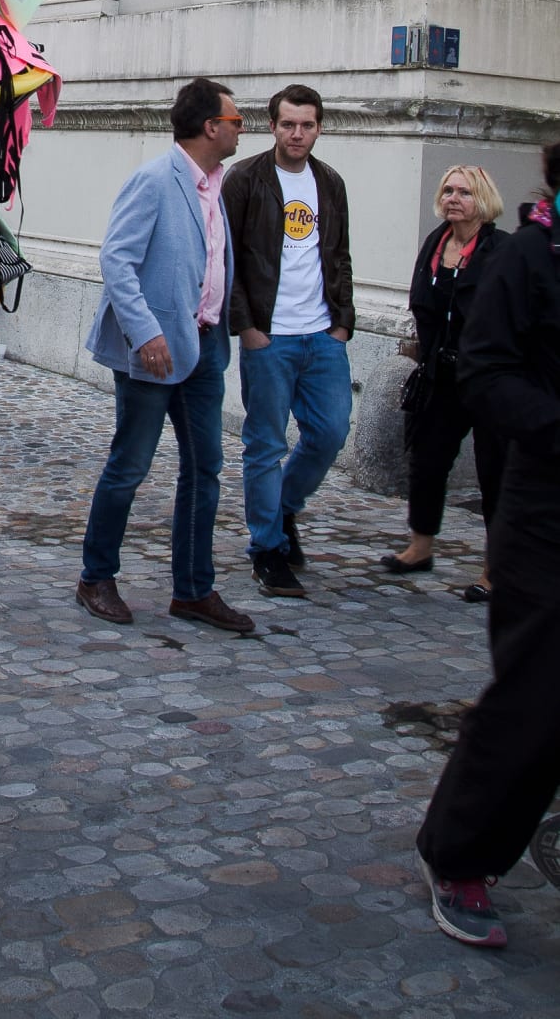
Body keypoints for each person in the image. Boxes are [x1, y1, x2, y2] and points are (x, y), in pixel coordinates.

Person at [415, 142, 560, 950]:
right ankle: (458, 855)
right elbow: (485, 372)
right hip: (544, 512)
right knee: (536, 697)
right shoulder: (528, 259)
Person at [75, 76, 256, 635]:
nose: (240, 129)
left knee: (206, 468)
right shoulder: (156, 180)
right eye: (236, 121)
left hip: (204, 345)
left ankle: (194, 591)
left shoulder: (215, 185)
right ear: (210, 127)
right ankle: (96, 577)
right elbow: (117, 259)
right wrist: (146, 332)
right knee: (129, 465)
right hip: (153, 352)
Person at [222, 84, 355, 600]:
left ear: (320, 127)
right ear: (272, 125)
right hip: (269, 337)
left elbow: (339, 253)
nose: (298, 134)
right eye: (288, 124)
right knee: (265, 444)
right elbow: (229, 257)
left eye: (307, 125)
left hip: (323, 336)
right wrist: (248, 327)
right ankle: (268, 549)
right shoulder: (246, 179)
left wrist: (342, 323)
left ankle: (283, 507)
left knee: (329, 433)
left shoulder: (330, 183)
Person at [381, 165, 507, 599]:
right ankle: (421, 547)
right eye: (448, 190)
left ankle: (495, 569)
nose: (454, 198)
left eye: (465, 192)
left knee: (497, 473)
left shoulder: (501, 250)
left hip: (490, 379)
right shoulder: (435, 244)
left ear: (484, 201)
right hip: (440, 374)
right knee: (427, 461)